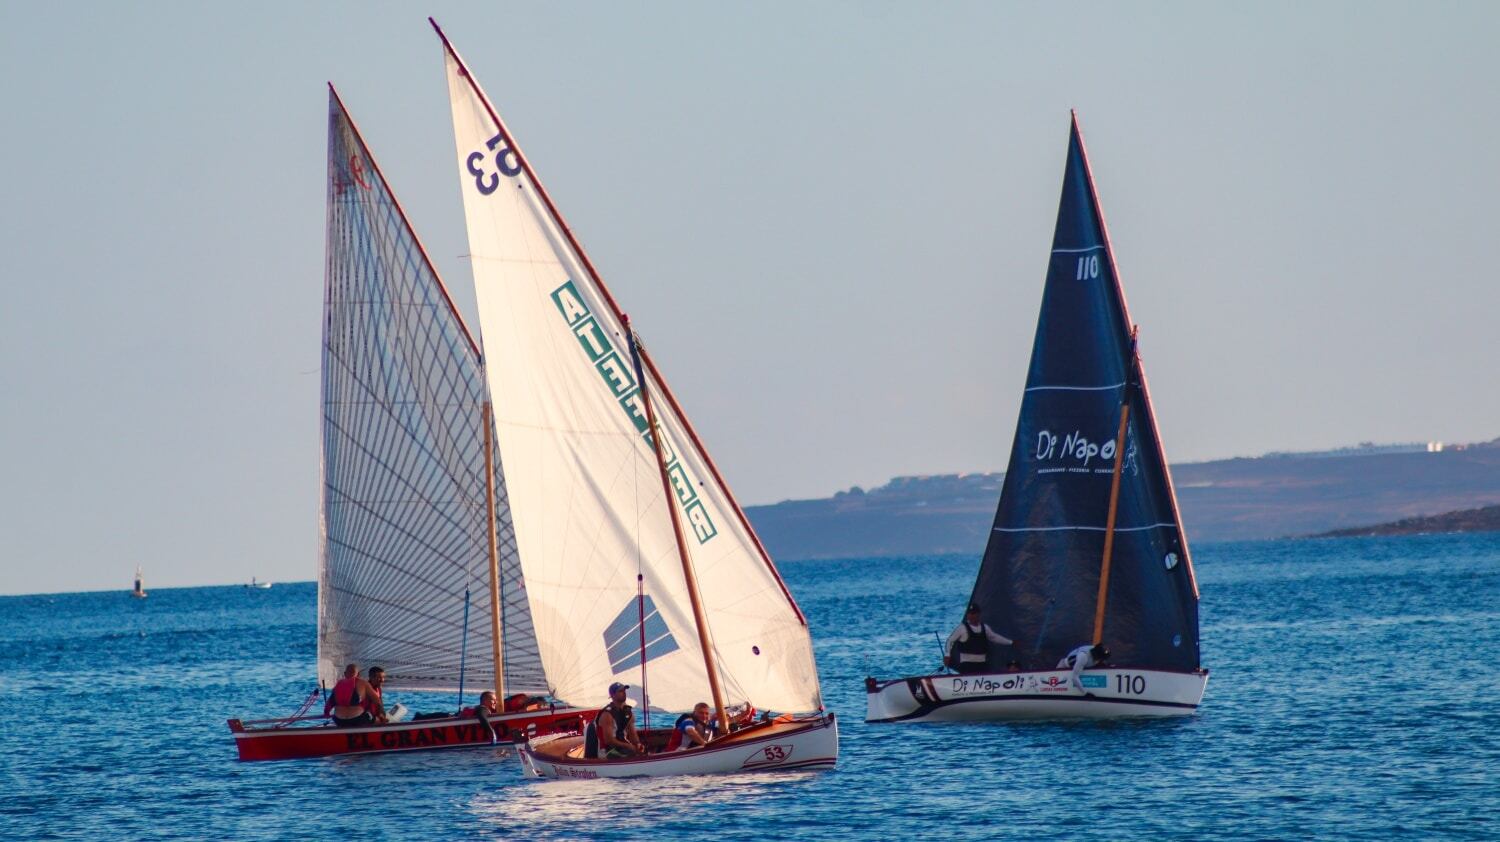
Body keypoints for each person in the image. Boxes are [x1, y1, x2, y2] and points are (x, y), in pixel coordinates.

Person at [944, 603, 1014, 674]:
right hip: (967, 665)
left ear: (978, 614)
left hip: (982, 664)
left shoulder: (985, 628)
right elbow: (949, 641)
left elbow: (994, 637)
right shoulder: (962, 628)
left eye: (974, 613)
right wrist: (947, 655)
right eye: (970, 613)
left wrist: (1011, 642)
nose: (971, 616)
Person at [588, 682, 644, 759]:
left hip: (623, 746)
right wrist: (629, 746)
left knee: (643, 752)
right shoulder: (607, 714)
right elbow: (609, 740)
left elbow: (632, 733)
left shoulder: (628, 712)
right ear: (613, 695)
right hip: (607, 750)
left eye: (624, 691)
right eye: (620, 691)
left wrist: (638, 744)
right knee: (631, 754)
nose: (624, 693)